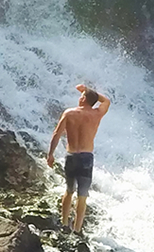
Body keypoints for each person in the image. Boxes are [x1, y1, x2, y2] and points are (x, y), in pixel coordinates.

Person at [47, 83, 111, 233]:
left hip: (71, 156)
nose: (79, 97)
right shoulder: (97, 114)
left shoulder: (69, 113)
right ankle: (77, 229)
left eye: (81, 96)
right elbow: (106, 101)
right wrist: (88, 92)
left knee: (69, 190)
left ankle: (64, 224)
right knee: (82, 195)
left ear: (83, 99)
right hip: (86, 158)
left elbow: (56, 134)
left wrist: (50, 154)